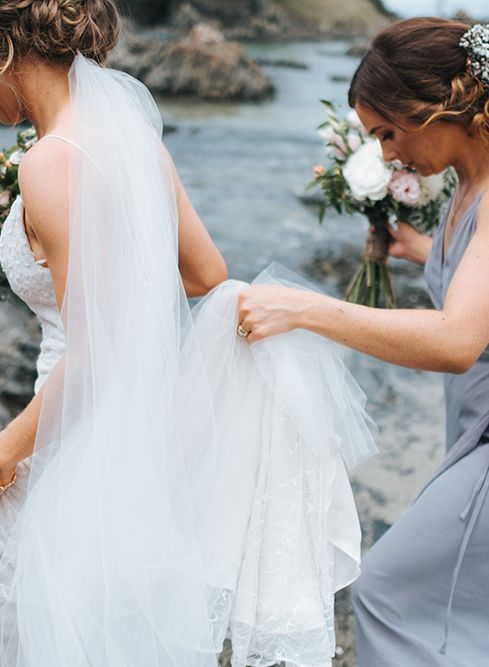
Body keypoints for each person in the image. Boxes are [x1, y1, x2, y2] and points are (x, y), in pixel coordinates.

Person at [0, 1, 376, 665]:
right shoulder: (129, 136)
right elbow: (205, 271)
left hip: (65, 437)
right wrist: (110, 281)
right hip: (138, 430)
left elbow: (95, 356)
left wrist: (1, 453)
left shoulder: (48, 164)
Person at [237, 17, 489, 666]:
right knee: (457, 610)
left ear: (433, 106)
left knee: (387, 595)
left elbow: (457, 339)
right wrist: (420, 251)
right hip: (469, 433)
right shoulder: (469, 184)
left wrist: (306, 309)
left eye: (386, 133)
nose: (383, 155)